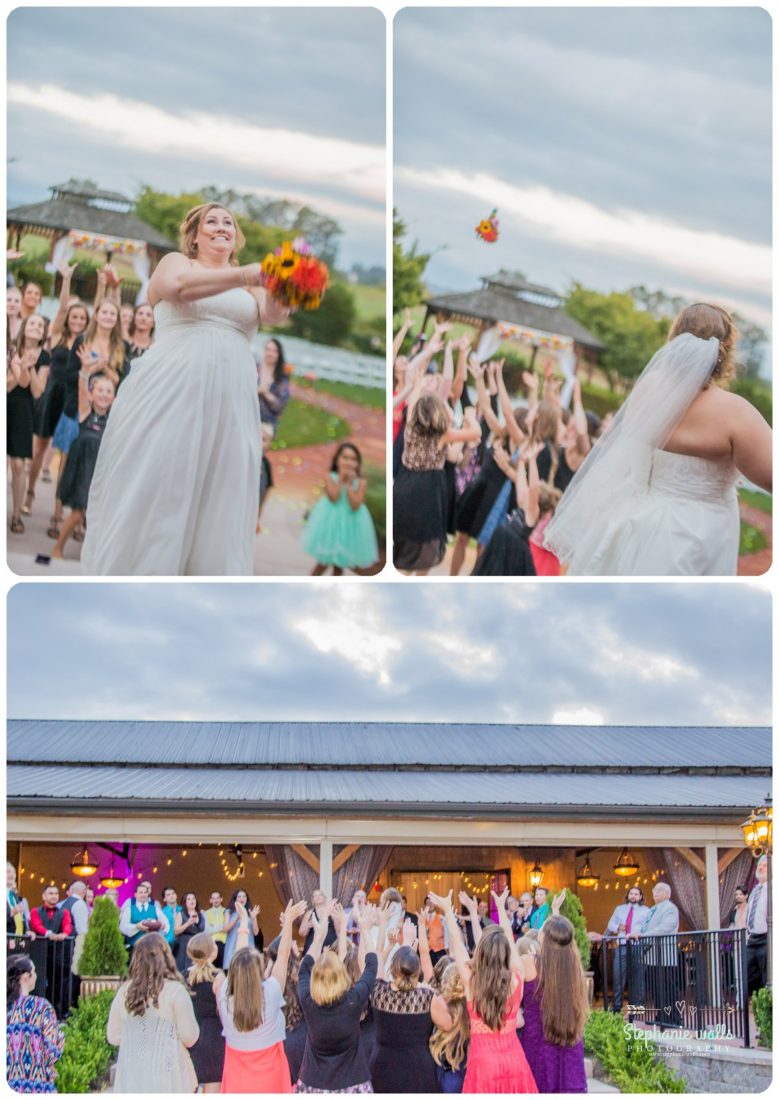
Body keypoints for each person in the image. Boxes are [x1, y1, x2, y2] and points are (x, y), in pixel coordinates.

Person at [82, 202, 290, 576]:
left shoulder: (250, 285)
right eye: (212, 221)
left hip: (231, 403)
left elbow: (274, 314)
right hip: (172, 390)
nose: (221, 226)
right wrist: (249, 273)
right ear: (194, 235)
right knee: (161, 480)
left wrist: (288, 285)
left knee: (221, 492)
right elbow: (179, 289)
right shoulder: (177, 263)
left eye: (228, 222)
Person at [545, 304, 773, 575]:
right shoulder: (737, 414)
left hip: (627, 523)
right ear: (725, 350)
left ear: (674, 340)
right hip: (694, 540)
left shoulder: (649, 389)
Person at [429, 889, 537, 1094]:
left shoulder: (472, 983)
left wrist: (449, 913)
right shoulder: (516, 980)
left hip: (484, 1065)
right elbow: (512, 947)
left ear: (480, 954)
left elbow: (458, 946)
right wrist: (503, 913)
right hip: (514, 1061)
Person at [216, 897, 307, 1092]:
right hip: (270, 1076)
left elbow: (238, 960)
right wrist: (288, 922)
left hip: (237, 1076)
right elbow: (283, 958)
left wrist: (243, 922)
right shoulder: (271, 993)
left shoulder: (225, 993)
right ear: (259, 970)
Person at [295, 900, 378, 1092]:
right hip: (352, 1085)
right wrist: (365, 929)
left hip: (314, 1085)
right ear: (341, 975)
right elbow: (372, 965)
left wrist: (319, 935)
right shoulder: (353, 999)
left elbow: (304, 966)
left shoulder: (308, 1000)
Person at [107, 933, 199, 1092]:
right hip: (168, 1075)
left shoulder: (124, 992)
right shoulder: (175, 992)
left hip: (133, 1076)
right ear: (166, 958)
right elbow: (190, 1037)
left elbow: (113, 1037)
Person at [518, 898, 589, 1094]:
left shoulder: (529, 963)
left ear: (544, 938)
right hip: (569, 1041)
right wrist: (556, 911)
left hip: (537, 1044)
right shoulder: (574, 967)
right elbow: (564, 940)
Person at [51, 370, 116, 560]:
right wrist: (85, 372)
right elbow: (81, 387)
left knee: (98, 517)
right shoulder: (86, 411)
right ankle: (58, 547)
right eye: (100, 390)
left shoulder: (113, 420)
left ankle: (95, 556)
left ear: (114, 396)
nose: (104, 394)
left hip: (100, 471)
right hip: (81, 470)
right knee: (78, 513)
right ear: (91, 394)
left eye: (108, 391)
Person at [370, 926, 439, 1093]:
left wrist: (380, 924)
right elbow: (448, 1025)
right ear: (418, 971)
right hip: (418, 1069)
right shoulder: (428, 997)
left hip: (383, 1067)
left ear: (393, 969)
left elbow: (377, 957)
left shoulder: (379, 991)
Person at [302, 442, 379, 575]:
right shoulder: (330, 477)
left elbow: (355, 505)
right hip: (331, 523)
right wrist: (341, 480)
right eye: (345, 457)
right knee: (323, 562)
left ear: (358, 463)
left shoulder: (361, 482)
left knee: (339, 564)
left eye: (353, 459)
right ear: (337, 460)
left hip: (349, 526)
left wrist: (349, 484)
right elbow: (334, 497)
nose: (349, 462)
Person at [8, 315, 50, 533]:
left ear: (44, 333)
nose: (36, 327)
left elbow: (36, 390)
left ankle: (16, 515)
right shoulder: (10, 347)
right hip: (6, 400)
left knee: (17, 465)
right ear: (24, 328)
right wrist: (20, 363)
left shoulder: (45, 357)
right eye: (32, 323)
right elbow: (11, 384)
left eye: (40, 325)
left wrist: (30, 366)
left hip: (23, 409)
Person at [7, 954, 64, 1093]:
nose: (37, 976)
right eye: (35, 972)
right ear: (26, 976)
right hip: (37, 1084)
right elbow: (54, 1049)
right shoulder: (41, 1007)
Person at [629, 881, 681, 1026]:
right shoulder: (653, 909)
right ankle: (661, 1016)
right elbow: (646, 927)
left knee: (668, 988)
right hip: (651, 956)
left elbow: (665, 928)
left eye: (658, 890)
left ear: (667, 894)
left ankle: (674, 1018)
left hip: (664, 955)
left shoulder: (671, 908)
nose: (654, 892)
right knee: (656, 988)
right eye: (654, 890)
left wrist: (642, 935)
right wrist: (638, 934)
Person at [185, 932, 225, 1092]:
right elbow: (223, 1012)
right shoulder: (218, 977)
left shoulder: (184, 976)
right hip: (214, 1039)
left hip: (191, 1037)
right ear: (212, 952)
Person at [604, 886, 651, 1012]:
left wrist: (639, 934)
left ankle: (637, 1010)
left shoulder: (646, 910)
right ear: (628, 895)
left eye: (636, 894)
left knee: (637, 978)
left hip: (637, 946)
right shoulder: (619, 909)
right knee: (618, 976)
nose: (633, 896)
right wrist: (617, 927)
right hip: (622, 946)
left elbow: (649, 927)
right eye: (631, 893)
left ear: (640, 897)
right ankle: (616, 1008)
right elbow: (610, 924)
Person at [429, 962, 470, 1093]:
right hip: (466, 1073)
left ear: (445, 981)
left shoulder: (437, 1004)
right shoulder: (473, 1008)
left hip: (441, 1073)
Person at [118, 882, 170, 955]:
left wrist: (159, 931)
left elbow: (166, 924)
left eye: (145, 892)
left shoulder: (155, 909)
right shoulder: (129, 910)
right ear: (135, 894)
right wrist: (136, 927)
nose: (143, 895)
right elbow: (122, 927)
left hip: (152, 949)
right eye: (141, 892)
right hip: (135, 948)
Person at [257, 337, 291, 434]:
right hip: (247, 418)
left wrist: (265, 393)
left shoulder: (282, 377)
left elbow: (280, 405)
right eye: (268, 349)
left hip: (267, 423)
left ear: (279, 354)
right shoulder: (254, 369)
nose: (270, 353)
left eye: (274, 351)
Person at [746, 855, 769, 995]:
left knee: (767, 976)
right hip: (753, 938)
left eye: (765, 865)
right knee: (748, 975)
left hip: (767, 938)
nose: (760, 867)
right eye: (759, 865)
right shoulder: (755, 890)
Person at [223, 890, 261, 970]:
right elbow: (225, 929)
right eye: (239, 896)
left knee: (248, 968)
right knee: (233, 968)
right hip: (233, 944)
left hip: (248, 944)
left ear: (247, 899)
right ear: (235, 899)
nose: (242, 898)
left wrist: (254, 918)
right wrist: (237, 918)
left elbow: (256, 932)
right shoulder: (229, 912)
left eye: (244, 896)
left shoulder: (250, 912)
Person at [174, 891, 205, 969]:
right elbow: (176, 931)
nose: (192, 901)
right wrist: (188, 923)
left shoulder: (201, 914)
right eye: (189, 899)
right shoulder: (181, 914)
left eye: (193, 899)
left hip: (198, 945)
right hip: (184, 946)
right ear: (185, 902)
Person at [203, 891, 228, 968]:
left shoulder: (227, 911)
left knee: (223, 967)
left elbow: (226, 928)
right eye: (213, 898)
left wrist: (212, 927)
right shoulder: (205, 913)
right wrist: (221, 927)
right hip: (210, 944)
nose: (216, 900)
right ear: (210, 900)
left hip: (223, 943)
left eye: (217, 898)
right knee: (210, 968)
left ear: (221, 899)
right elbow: (206, 930)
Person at [7, 861, 30, 935]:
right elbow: (12, 913)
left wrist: (26, 932)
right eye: (8, 872)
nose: (12, 875)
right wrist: (11, 913)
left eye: (14, 872)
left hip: (17, 942)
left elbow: (20, 918)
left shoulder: (14, 896)